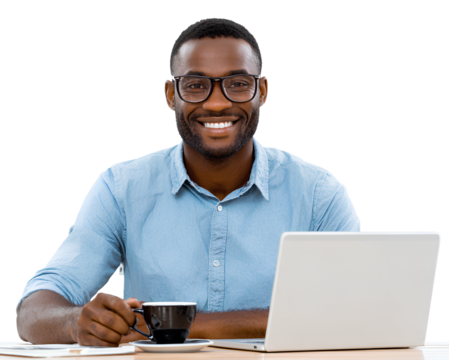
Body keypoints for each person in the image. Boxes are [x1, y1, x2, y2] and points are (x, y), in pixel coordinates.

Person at [14, 17, 363, 347]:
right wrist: (74, 322)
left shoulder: (320, 193)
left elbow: (357, 312)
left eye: (238, 84)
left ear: (263, 91)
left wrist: (168, 325)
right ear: (169, 95)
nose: (216, 103)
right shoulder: (121, 188)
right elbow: (32, 309)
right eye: (195, 85)